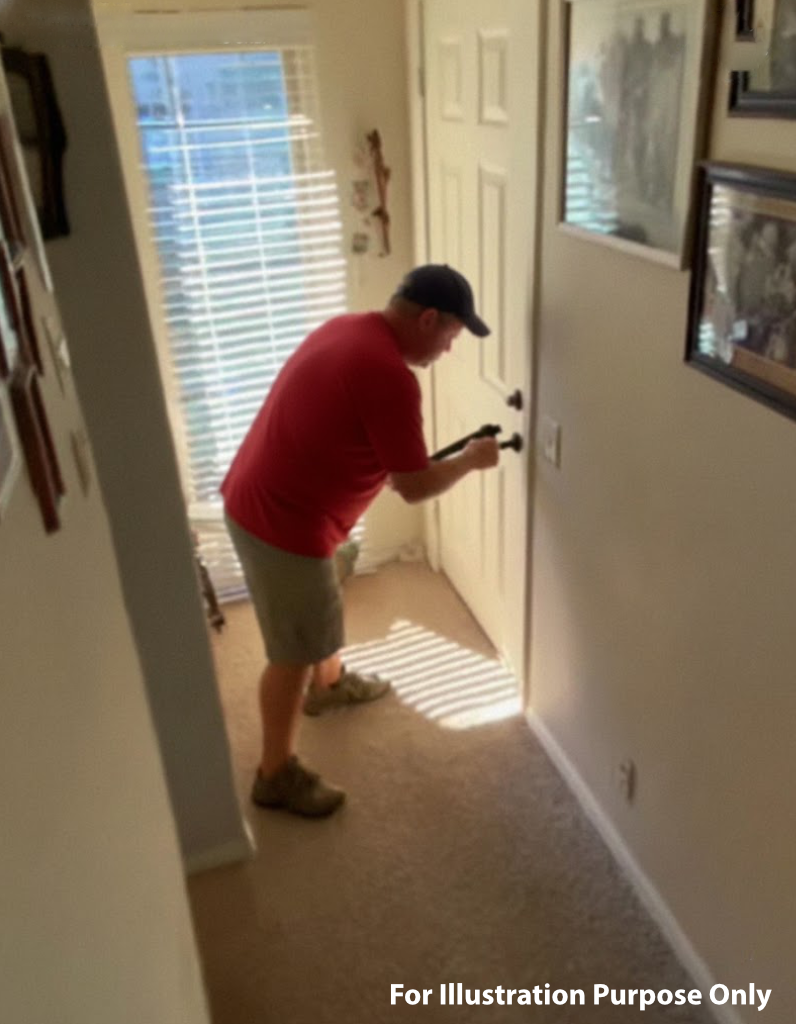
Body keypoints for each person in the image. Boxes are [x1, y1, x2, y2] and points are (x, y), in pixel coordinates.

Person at [221, 264, 501, 818]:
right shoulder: (388, 374)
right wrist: (471, 461)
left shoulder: (348, 328)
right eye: (450, 335)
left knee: (320, 606)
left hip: (272, 500)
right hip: (282, 522)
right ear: (428, 319)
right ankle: (275, 775)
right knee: (292, 650)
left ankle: (329, 687)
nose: (448, 349)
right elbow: (414, 486)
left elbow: (382, 453)